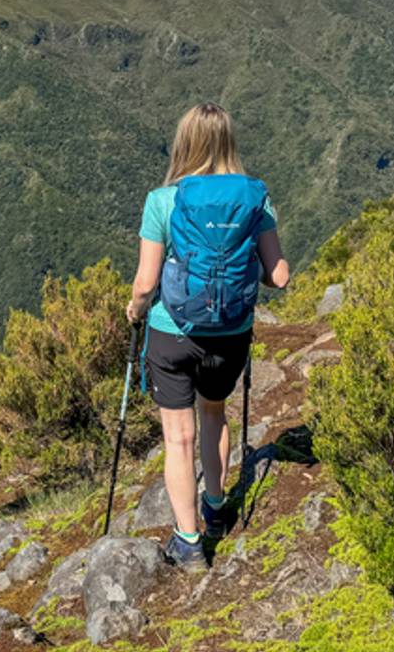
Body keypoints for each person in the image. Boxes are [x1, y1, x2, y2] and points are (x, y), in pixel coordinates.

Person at [126, 102, 290, 571]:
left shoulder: (163, 201)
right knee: (214, 414)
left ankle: (189, 541)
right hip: (230, 335)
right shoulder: (256, 201)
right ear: (228, 144)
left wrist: (135, 311)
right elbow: (279, 276)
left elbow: (145, 283)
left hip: (172, 335)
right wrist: (241, 271)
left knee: (178, 438)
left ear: (185, 144)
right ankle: (216, 508)